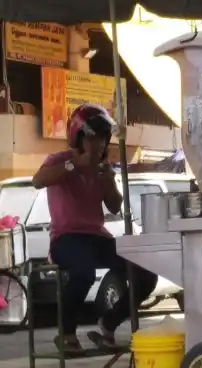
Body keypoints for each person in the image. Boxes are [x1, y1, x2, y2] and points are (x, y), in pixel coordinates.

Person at [32, 104, 158, 354]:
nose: (99, 144)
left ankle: (109, 323)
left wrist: (109, 180)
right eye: (93, 137)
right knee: (84, 272)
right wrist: (74, 165)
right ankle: (67, 333)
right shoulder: (61, 161)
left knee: (146, 274)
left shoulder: (100, 170)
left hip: (97, 238)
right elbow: (38, 180)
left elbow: (114, 206)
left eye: (102, 138)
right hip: (66, 239)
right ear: (79, 137)